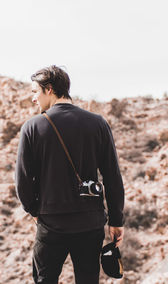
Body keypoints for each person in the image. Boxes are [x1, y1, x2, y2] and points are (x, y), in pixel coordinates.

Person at [15, 65, 124, 284]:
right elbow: (112, 177)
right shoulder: (98, 123)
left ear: (49, 89)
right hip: (90, 223)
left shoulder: (33, 127)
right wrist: (116, 220)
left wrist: (34, 211)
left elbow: (23, 181)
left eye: (35, 92)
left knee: (45, 279)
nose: (33, 99)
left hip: (51, 223)